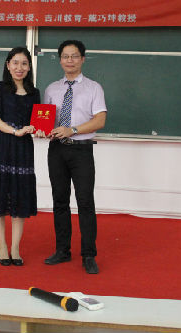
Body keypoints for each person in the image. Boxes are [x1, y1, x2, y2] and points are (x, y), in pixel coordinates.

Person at [41, 40, 107, 274]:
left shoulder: (94, 88)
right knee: (60, 200)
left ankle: (88, 254)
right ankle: (62, 250)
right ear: (60, 60)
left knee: (85, 202)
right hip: (57, 150)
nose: (70, 60)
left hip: (82, 150)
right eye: (65, 56)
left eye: (74, 56)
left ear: (82, 59)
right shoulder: (51, 89)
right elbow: (46, 119)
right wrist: (42, 129)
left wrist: (73, 129)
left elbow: (100, 120)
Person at [0, 47, 40, 267]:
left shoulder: (34, 93)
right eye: (15, 62)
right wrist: (15, 131)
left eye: (24, 63)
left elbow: (37, 121)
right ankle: (2, 246)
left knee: (19, 197)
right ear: (8, 65)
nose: (19, 67)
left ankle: (15, 248)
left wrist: (37, 129)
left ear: (29, 67)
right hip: (2, 146)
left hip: (23, 150)